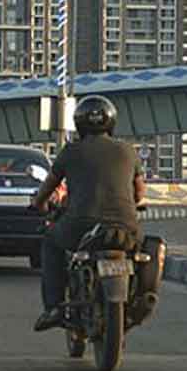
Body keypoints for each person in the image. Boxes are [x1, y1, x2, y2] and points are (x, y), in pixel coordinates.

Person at [30, 95, 146, 332]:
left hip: (80, 226)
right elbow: (139, 191)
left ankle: (53, 307)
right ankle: (142, 296)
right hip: (125, 227)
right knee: (142, 252)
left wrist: (39, 204)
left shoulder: (70, 151)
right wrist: (134, 203)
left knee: (51, 242)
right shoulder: (127, 150)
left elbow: (49, 186)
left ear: (79, 123)